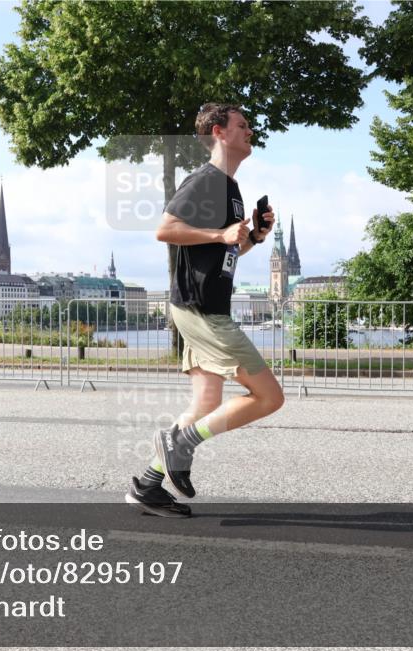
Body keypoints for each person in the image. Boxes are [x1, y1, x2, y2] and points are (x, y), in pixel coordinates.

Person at [125, 103, 285, 518]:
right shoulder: (206, 180)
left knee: (205, 405)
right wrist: (220, 232)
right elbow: (165, 229)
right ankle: (182, 444)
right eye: (242, 125)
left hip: (204, 305)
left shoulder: (230, 188)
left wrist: (253, 236)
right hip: (201, 310)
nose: (250, 131)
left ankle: (148, 485)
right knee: (269, 396)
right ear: (219, 132)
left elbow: (226, 250)